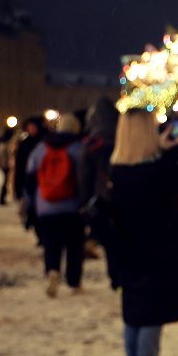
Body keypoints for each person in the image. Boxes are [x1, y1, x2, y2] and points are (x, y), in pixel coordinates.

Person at [106, 108, 178, 356]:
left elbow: (147, 169)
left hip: (129, 250)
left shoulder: (119, 169)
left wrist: (163, 150)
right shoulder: (160, 170)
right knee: (153, 312)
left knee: (135, 311)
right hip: (159, 249)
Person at [24, 114, 86, 296]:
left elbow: (29, 178)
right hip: (73, 206)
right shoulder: (78, 148)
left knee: (52, 243)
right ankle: (74, 282)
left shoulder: (41, 148)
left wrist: (31, 202)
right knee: (74, 245)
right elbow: (85, 178)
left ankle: (52, 271)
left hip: (46, 205)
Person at [79, 97, 120, 288]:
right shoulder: (123, 137)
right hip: (123, 194)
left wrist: (84, 202)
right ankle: (122, 276)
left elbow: (85, 176)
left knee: (110, 240)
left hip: (101, 198)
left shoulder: (92, 143)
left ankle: (115, 278)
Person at [12, 116, 45, 237]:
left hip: (41, 181)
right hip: (29, 181)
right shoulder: (24, 144)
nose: (30, 130)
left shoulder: (43, 143)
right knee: (32, 210)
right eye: (28, 127)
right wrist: (18, 186)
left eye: (33, 127)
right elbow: (19, 166)